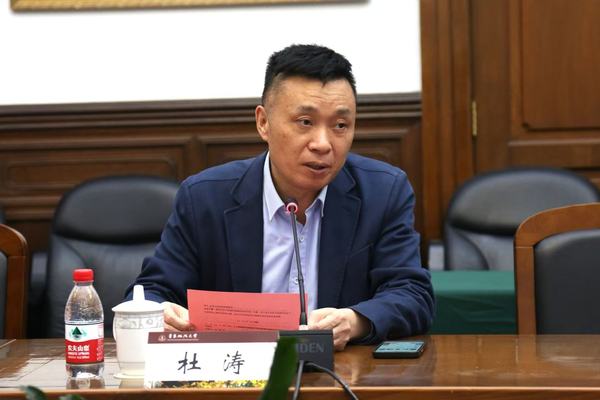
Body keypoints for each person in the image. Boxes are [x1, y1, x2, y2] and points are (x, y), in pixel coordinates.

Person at [127, 44, 434, 350]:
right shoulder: (205, 198)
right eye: (305, 122)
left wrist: (354, 321)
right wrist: (159, 313)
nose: (323, 143)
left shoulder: (383, 192)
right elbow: (151, 291)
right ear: (263, 122)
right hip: (234, 371)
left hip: (339, 370)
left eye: (340, 125)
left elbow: (412, 294)